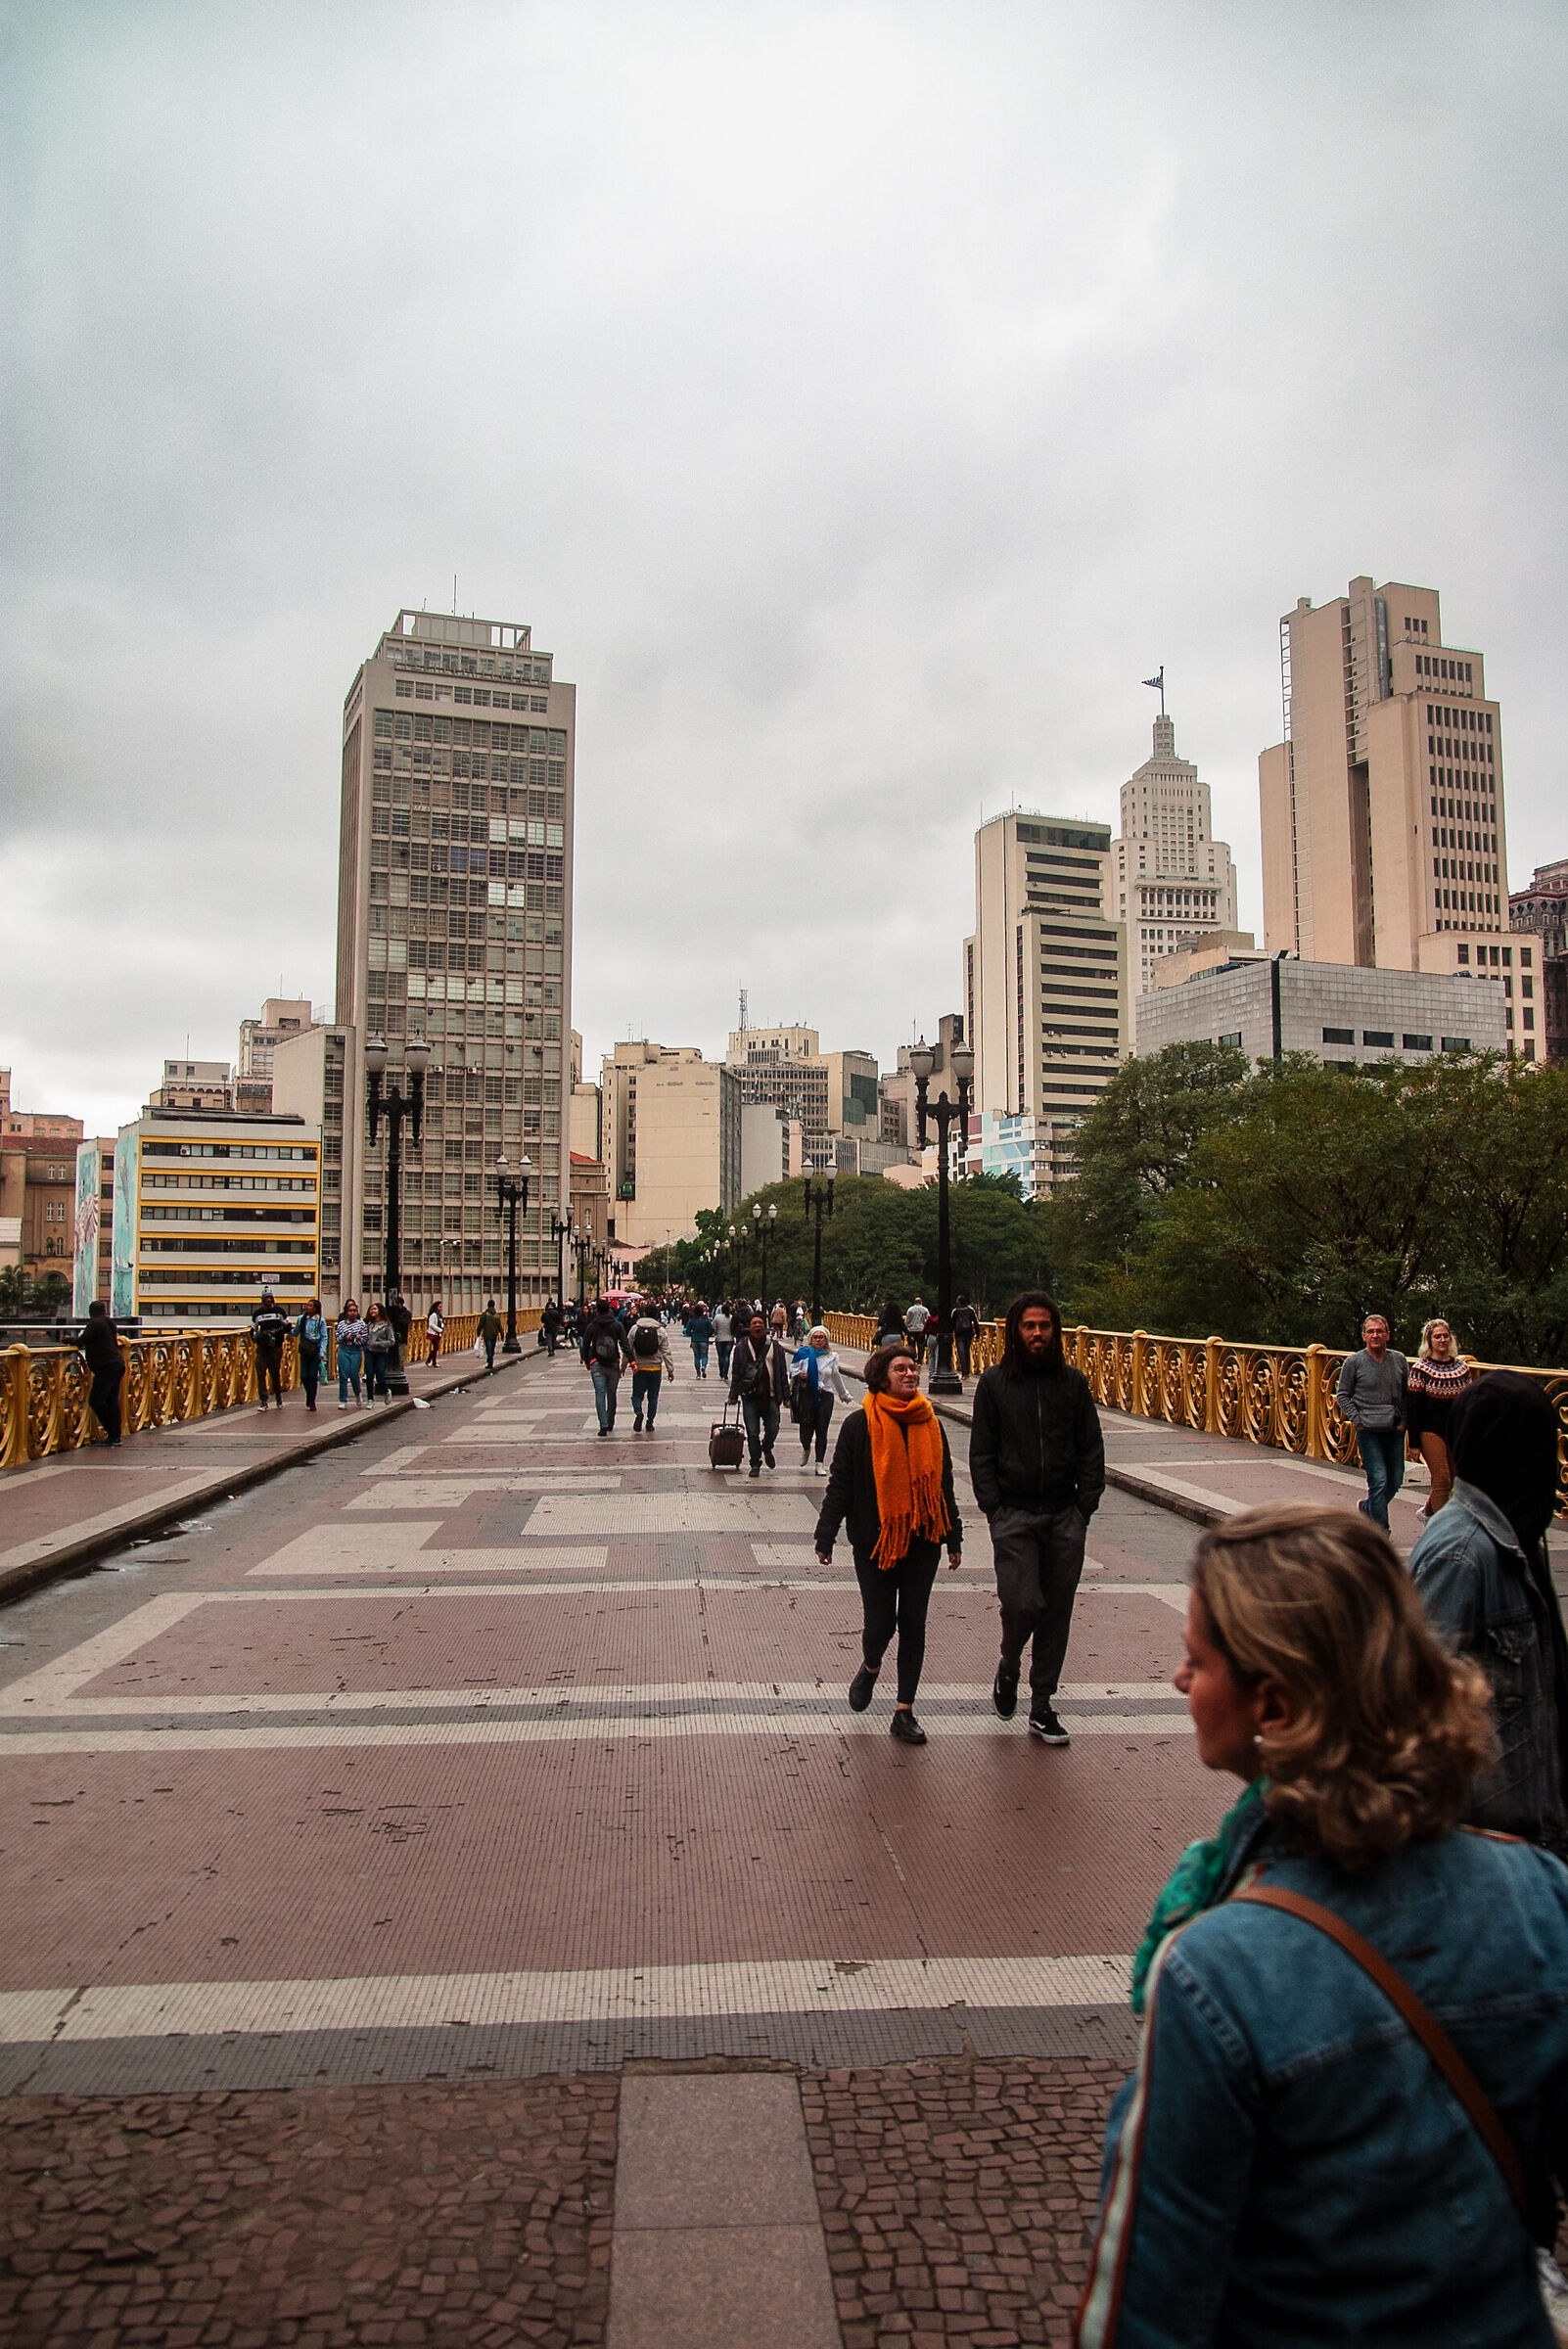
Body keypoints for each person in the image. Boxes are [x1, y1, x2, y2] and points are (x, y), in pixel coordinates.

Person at [1076, 1500, 1568, 2349]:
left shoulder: (1216, 1971)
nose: (1179, 1682)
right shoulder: (1539, 1893)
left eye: (1197, 1660)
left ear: (1274, 1705)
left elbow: (1146, 2300)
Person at [1409, 1371, 1568, 1856]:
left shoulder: (1517, 1531)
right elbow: (1415, 1705)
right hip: (1489, 1842)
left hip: (1534, 1828)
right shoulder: (1460, 1552)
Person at [969, 1290, 1105, 1746]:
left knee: (1056, 1613)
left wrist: (1084, 1506)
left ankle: (1042, 1702)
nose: (1037, 1333)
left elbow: (1091, 1449)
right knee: (1024, 1602)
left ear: (1056, 1331)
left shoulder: (1072, 1384)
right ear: (1015, 1332)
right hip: (1014, 1515)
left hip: (1065, 1514)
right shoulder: (994, 1384)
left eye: (1044, 1326)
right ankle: (1010, 1664)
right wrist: (994, 1507)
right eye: (1029, 1326)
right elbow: (981, 1452)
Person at [814, 1345, 962, 1743]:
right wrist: (825, 1534)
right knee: (880, 1623)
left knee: (913, 1623)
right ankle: (872, 1664)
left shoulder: (931, 1423)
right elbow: (840, 1483)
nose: (910, 1374)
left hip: (923, 1539)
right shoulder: (860, 1425)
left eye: (913, 1368)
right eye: (901, 1368)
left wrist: (954, 1537)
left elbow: (943, 1484)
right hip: (874, 1541)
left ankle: (904, 1710)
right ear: (882, 1377)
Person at [1335, 1313, 1408, 1530]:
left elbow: (1406, 1393)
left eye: (1379, 1331)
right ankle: (1380, 1531)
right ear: (1364, 1336)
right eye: (1371, 1332)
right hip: (1368, 1429)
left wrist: (1403, 1422)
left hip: (1394, 1428)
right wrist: (1358, 1420)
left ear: (1388, 1335)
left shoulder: (1399, 1359)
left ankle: (1368, 1508)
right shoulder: (1354, 1362)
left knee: (1394, 1481)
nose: (1375, 1335)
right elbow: (1342, 1395)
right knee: (1379, 1480)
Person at [1405, 1316, 1475, 1520]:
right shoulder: (1421, 1369)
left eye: (1445, 1336)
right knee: (1441, 1477)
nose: (1442, 1340)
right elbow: (1414, 1408)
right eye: (1437, 1337)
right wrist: (1414, 1442)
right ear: (1429, 1341)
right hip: (1430, 1430)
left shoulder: (1462, 1368)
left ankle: (1426, 1513)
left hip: (1455, 1430)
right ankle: (1441, 1526)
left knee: (1453, 1479)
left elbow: (1469, 1402)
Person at [728, 1310, 791, 1478]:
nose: (757, 1326)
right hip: (750, 1396)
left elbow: (782, 1372)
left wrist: (786, 1395)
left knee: (773, 1427)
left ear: (765, 1327)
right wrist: (733, 1395)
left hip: (770, 1395)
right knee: (752, 1432)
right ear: (749, 1327)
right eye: (754, 1323)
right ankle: (755, 1463)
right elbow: (736, 1372)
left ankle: (767, 1447)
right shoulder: (741, 1347)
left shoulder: (775, 1347)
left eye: (760, 1323)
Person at [790, 1325, 852, 1472]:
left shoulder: (832, 1357)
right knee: (806, 1429)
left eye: (821, 1337)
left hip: (825, 1396)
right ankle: (806, 1448)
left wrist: (844, 1395)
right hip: (807, 1395)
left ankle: (819, 1463)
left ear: (826, 1340)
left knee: (822, 1430)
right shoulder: (803, 1354)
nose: (818, 1340)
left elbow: (836, 1377)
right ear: (811, 1339)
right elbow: (792, 1370)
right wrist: (800, 1374)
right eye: (815, 1337)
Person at [580, 1298, 633, 1435]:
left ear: (596, 1310)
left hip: (596, 1363)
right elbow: (625, 1345)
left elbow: (585, 1345)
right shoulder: (617, 1325)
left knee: (599, 1394)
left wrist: (587, 1360)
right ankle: (610, 1421)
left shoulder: (592, 1326)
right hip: (613, 1362)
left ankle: (603, 1425)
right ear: (609, 1310)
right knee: (612, 1394)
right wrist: (632, 1361)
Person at [626, 1302, 677, 1432]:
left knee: (637, 1395)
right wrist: (670, 1370)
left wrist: (623, 1366)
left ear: (644, 1314)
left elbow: (628, 1349)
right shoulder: (660, 1330)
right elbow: (666, 1351)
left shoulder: (635, 1328)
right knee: (653, 1397)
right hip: (655, 1368)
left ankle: (638, 1412)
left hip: (639, 1368)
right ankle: (650, 1422)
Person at [79, 1300, 124, 1448]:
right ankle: (115, 1435)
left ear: (91, 1312)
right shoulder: (109, 1322)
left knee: (96, 1400)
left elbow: (83, 1340)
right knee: (112, 1400)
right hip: (117, 1364)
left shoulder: (95, 1324)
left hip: (106, 1367)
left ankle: (112, 1431)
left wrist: (69, 1340)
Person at [252, 1289, 291, 1411]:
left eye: (270, 1298)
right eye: (266, 1298)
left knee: (275, 1373)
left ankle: (278, 1397)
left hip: (275, 1347)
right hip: (262, 1347)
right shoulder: (257, 1314)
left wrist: (277, 1332)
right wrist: (256, 1337)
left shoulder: (279, 1312)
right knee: (261, 1373)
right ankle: (263, 1400)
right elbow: (253, 1329)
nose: (268, 1300)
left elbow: (288, 1326)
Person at [295, 1299, 328, 1412]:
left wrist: (321, 1351)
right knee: (304, 1375)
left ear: (315, 1308)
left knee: (312, 1376)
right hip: (304, 1349)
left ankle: (312, 1400)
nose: (307, 1307)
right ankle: (309, 1394)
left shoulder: (320, 1321)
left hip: (315, 1349)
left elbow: (324, 1336)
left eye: (310, 1305)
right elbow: (296, 1332)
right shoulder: (301, 1319)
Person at [335, 1301, 368, 1408]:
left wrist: (355, 1339)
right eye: (350, 1311)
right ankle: (343, 1399)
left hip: (356, 1350)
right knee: (343, 1375)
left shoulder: (361, 1324)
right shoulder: (341, 1324)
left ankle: (357, 1393)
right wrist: (346, 1337)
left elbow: (364, 1339)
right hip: (344, 1349)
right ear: (346, 1312)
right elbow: (337, 1338)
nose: (352, 1313)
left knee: (354, 1374)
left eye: (354, 1311)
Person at [363, 1301, 395, 1403]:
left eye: (375, 1309)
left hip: (381, 1353)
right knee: (369, 1375)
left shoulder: (387, 1325)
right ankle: (370, 1399)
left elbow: (391, 1341)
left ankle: (386, 1390)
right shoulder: (369, 1325)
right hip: (369, 1352)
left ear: (380, 1311)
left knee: (380, 1375)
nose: (372, 1311)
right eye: (371, 1309)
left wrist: (378, 1343)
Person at [950, 1295, 980, 1379]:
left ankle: (964, 1373)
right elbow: (975, 1322)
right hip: (969, 1333)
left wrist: (951, 1334)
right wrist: (977, 1334)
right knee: (967, 1352)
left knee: (961, 1353)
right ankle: (967, 1372)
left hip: (959, 1334)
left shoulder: (955, 1311)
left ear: (959, 1302)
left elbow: (952, 1324)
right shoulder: (970, 1310)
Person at [687, 1303, 714, 1379]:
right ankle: (703, 1366)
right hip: (704, 1340)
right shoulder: (706, 1320)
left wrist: (692, 1335)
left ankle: (698, 1374)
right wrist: (707, 1335)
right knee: (704, 1355)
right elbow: (711, 1329)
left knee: (696, 1357)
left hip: (695, 1340)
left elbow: (687, 1331)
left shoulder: (692, 1320)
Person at [478, 1297, 503, 1374]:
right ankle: (491, 1360)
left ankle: (490, 1361)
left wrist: (478, 1332)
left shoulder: (485, 1314)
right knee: (492, 1348)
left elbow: (481, 1324)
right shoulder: (496, 1315)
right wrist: (502, 1333)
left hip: (487, 1334)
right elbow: (499, 1325)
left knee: (488, 1348)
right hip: (494, 1334)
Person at [903, 1294, 931, 1365]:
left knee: (911, 1345)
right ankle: (920, 1360)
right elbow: (928, 1319)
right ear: (921, 1302)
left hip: (912, 1330)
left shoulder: (910, 1309)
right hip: (921, 1330)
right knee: (921, 1345)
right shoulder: (925, 1309)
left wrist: (906, 1327)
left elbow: (907, 1320)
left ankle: (913, 1357)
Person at [712, 1302, 735, 1382]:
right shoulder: (731, 1317)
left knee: (720, 1356)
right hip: (729, 1339)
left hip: (719, 1339)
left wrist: (715, 1333)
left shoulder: (717, 1317)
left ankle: (721, 1372)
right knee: (727, 1356)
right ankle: (725, 1373)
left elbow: (714, 1327)